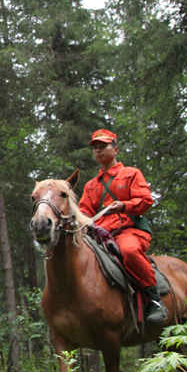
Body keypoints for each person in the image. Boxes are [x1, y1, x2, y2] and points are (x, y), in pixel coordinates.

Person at [78, 129, 168, 324]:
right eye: (95, 148)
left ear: (116, 149)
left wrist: (124, 205)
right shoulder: (91, 186)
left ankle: (155, 300)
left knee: (128, 251)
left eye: (103, 146)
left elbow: (146, 200)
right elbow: (84, 211)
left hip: (129, 230)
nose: (99, 151)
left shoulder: (131, 174)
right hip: (100, 235)